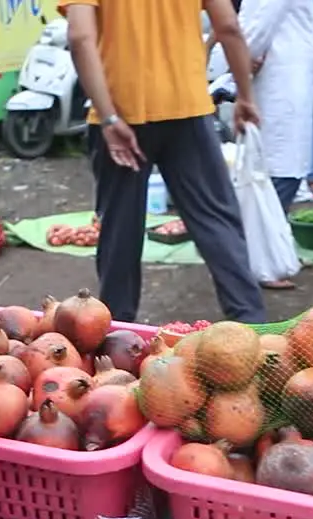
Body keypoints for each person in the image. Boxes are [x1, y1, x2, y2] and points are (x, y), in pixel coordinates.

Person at [62, 0, 267, 323]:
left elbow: (79, 37)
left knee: (120, 230)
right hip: (187, 108)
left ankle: (117, 339)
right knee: (216, 221)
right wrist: (245, 95)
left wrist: (108, 117)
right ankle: (252, 327)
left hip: (120, 110)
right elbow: (228, 25)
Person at [236, 0, 313, 213]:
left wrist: (217, 66)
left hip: (278, 91)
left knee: (270, 195)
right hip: (280, 89)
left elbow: (252, 36)